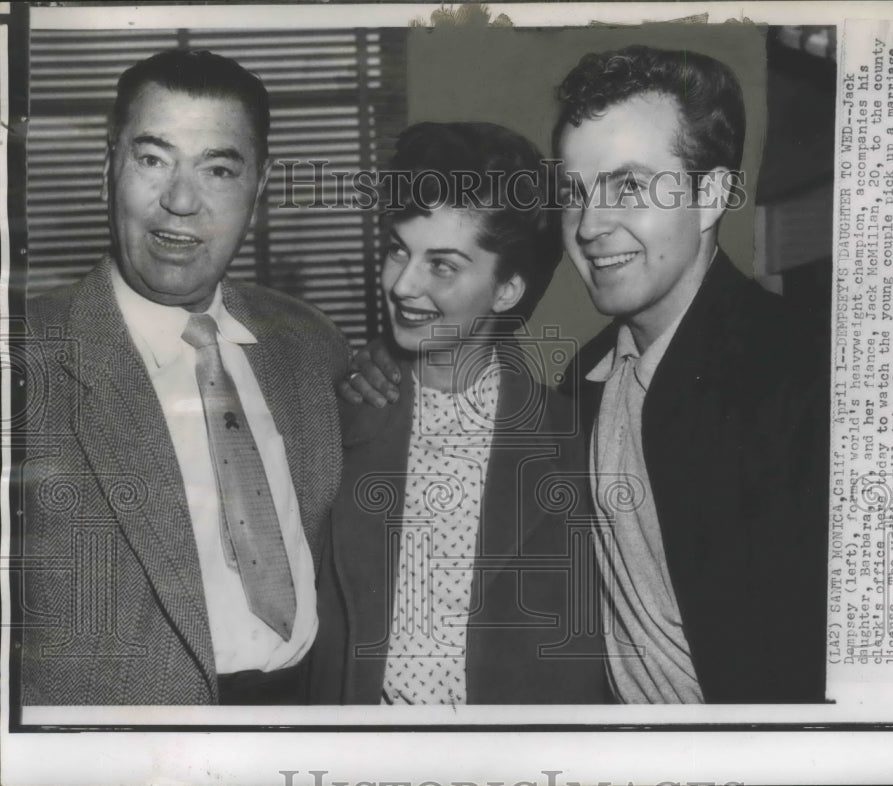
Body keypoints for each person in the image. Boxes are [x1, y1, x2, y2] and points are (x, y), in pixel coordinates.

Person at [341, 46, 830, 704]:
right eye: (576, 190)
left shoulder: (806, 377)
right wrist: (392, 358)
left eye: (629, 185)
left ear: (711, 194)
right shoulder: (589, 381)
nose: (593, 224)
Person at [20, 49, 349, 705]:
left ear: (258, 188)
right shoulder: (24, 360)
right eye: (153, 159)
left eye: (218, 169)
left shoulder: (312, 344)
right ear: (108, 166)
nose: (178, 200)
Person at [309, 121, 609, 705]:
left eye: (442, 265)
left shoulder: (576, 443)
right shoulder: (337, 415)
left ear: (506, 290)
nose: (403, 285)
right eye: (399, 249)